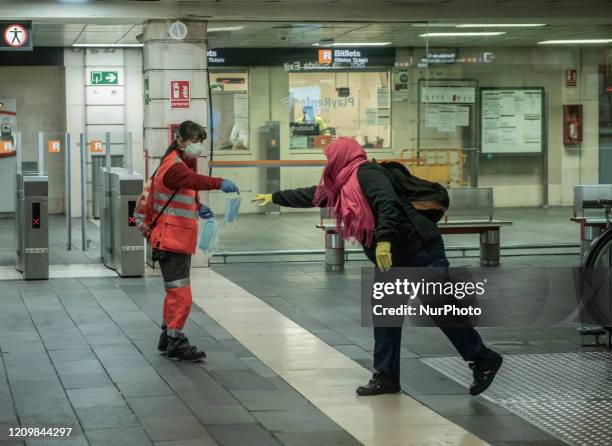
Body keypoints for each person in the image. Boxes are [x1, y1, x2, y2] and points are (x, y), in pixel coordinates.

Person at [252, 137, 502, 396]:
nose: (328, 162)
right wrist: (274, 196)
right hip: (394, 257)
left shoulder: (367, 173)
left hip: (419, 250)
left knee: (439, 309)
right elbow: (312, 196)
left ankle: (483, 358)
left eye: (331, 157)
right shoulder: (342, 184)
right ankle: (386, 377)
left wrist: (383, 242)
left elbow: (387, 204)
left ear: (343, 156)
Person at [151, 120, 239, 361]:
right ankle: (176, 341)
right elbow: (193, 181)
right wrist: (219, 183)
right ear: (180, 140)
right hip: (172, 238)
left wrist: (199, 206)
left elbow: (183, 191)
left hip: (171, 237)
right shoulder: (175, 166)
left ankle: (166, 336)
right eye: (194, 141)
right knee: (181, 294)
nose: (198, 146)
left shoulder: (173, 162)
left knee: (173, 291)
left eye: (200, 141)